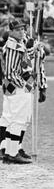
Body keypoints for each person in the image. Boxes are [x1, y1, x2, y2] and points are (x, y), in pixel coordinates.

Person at [0, 20, 46, 164]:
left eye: (22, 29)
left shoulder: (17, 44)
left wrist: (33, 49)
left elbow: (24, 61)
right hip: (18, 86)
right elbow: (11, 72)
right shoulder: (13, 46)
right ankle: (12, 153)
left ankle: (9, 150)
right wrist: (23, 86)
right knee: (18, 119)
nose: (22, 32)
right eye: (18, 30)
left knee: (13, 118)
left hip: (14, 86)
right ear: (11, 31)